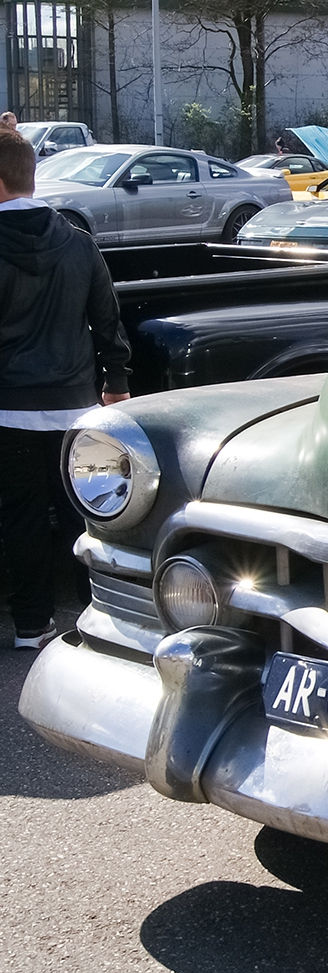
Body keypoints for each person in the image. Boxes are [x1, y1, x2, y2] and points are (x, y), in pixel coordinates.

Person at [0, 129, 130, 648]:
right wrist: (115, 383)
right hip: (76, 410)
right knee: (87, 519)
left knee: (22, 520)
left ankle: (32, 626)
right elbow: (107, 321)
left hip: (9, 410)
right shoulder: (79, 244)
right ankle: (98, 623)